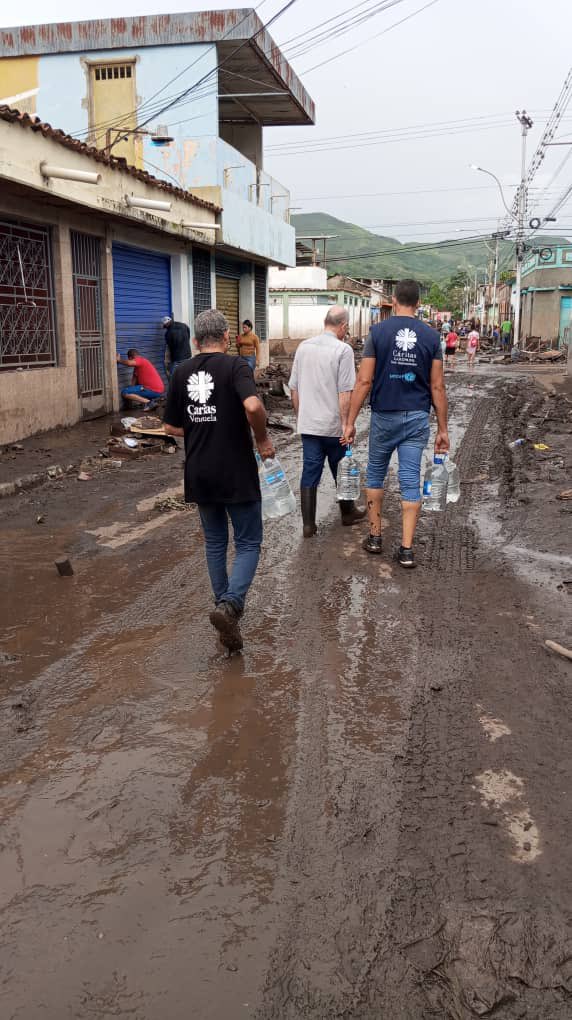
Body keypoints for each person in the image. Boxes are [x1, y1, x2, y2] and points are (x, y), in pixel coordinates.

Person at [163, 309, 274, 653]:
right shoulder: (237, 366)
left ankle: (222, 609)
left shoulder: (181, 371)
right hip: (235, 470)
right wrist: (262, 439)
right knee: (248, 542)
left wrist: (200, 428)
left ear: (195, 341)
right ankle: (230, 606)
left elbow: (170, 427)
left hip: (199, 470)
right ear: (227, 337)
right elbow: (253, 407)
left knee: (214, 543)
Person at [342, 279, 449, 569]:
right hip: (416, 417)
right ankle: (406, 549)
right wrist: (442, 429)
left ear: (393, 298)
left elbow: (364, 380)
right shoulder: (431, 337)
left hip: (384, 416)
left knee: (376, 475)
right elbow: (437, 387)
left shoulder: (378, 332)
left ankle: (375, 538)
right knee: (410, 479)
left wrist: (350, 422)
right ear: (418, 302)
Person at [288, 306, 366, 538]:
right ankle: (348, 513)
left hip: (310, 425)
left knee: (310, 470)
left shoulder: (303, 347)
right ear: (342, 326)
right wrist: (347, 424)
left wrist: (301, 415)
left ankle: (308, 525)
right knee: (341, 469)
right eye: (347, 328)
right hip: (333, 427)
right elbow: (345, 393)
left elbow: (294, 388)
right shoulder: (343, 350)